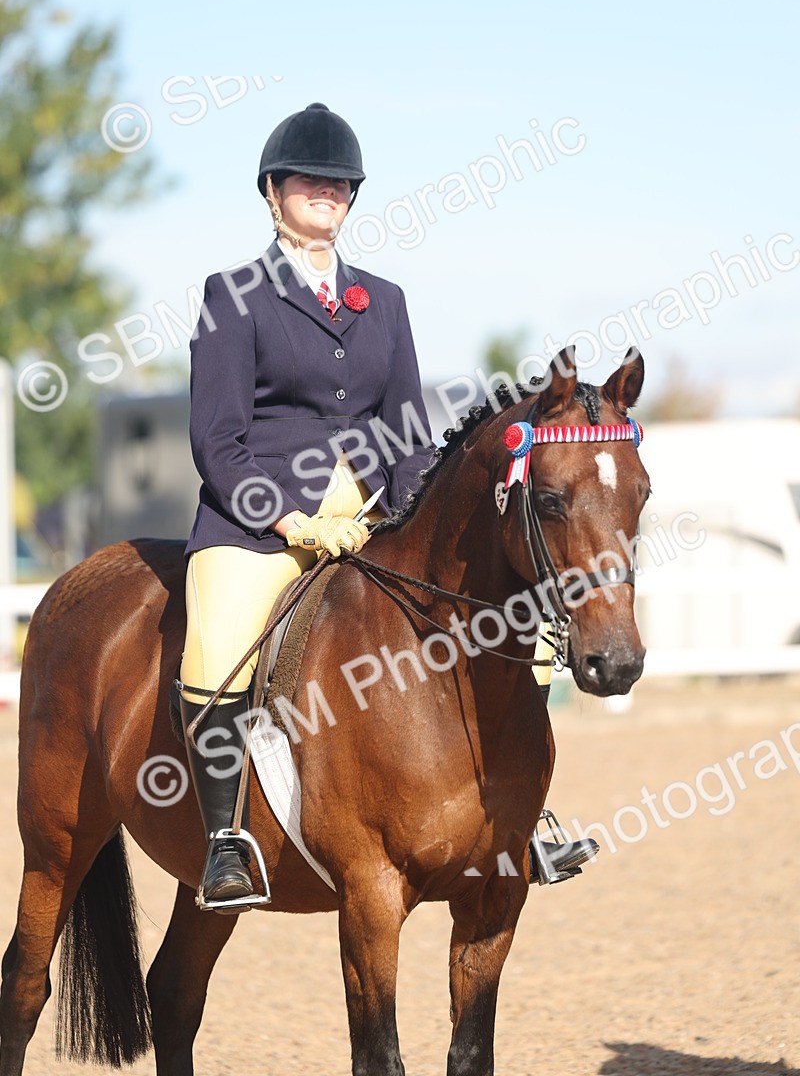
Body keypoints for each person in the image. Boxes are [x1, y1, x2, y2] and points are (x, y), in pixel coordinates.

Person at [179, 102, 595, 913]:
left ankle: (521, 814)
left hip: (373, 517)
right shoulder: (232, 295)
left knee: (515, 629)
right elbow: (216, 440)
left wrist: (412, 514)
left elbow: (406, 428)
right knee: (218, 641)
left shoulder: (385, 299)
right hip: (262, 521)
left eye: (340, 185)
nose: (326, 194)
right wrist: (291, 521)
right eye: (310, 182)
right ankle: (227, 838)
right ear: (272, 192)